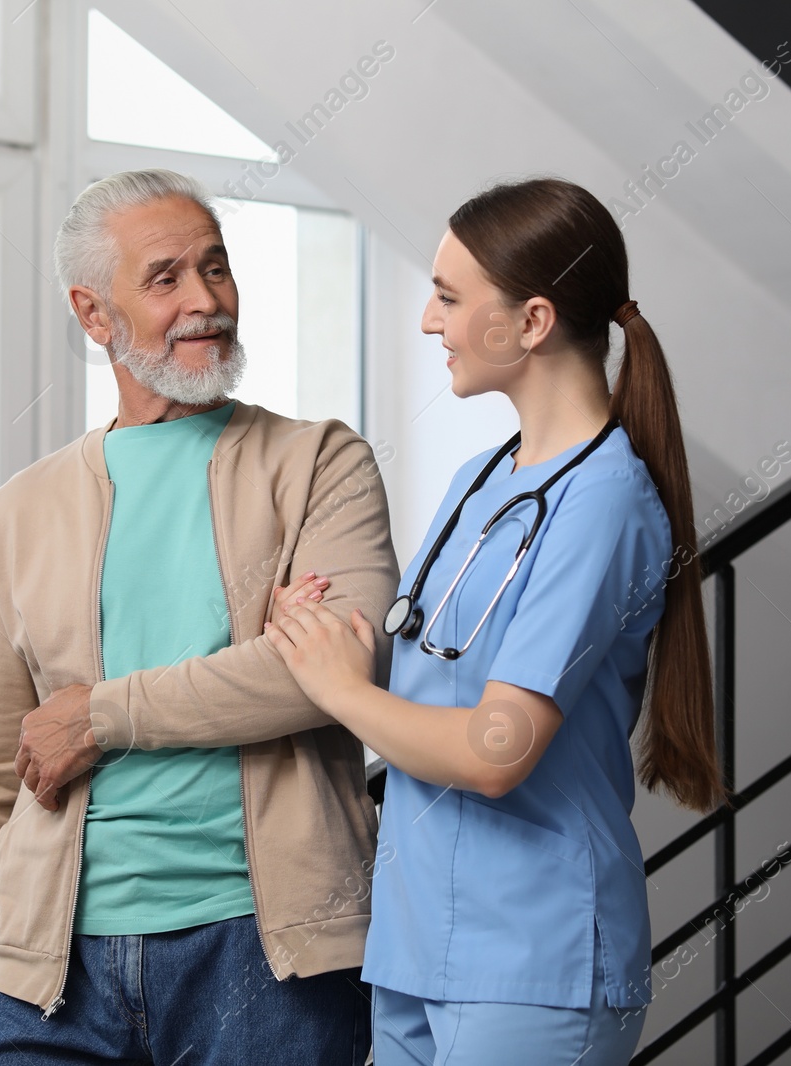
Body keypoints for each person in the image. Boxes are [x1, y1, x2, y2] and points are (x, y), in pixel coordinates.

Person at [0, 169, 399, 1066]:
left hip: (268, 959)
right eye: (166, 278)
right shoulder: (19, 513)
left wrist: (97, 715)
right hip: (48, 974)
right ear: (93, 314)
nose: (205, 301)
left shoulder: (318, 463)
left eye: (218, 269)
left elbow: (334, 670)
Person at [263, 177, 727, 1065]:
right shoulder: (482, 478)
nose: (429, 323)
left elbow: (494, 750)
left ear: (533, 322)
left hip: (532, 957)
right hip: (414, 943)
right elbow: (434, 677)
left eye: (448, 297)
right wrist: (324, 638)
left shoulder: (604, 503)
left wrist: (340, 693)